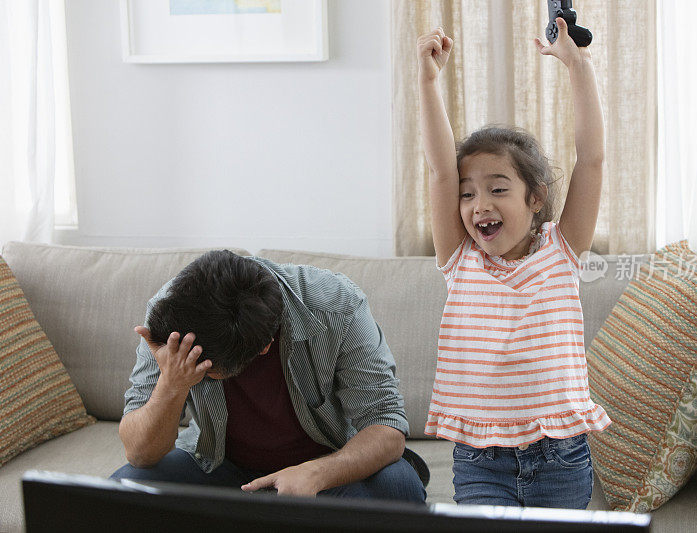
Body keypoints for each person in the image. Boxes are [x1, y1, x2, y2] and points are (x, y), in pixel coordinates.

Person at [417, 19, 611, 508]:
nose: (479, 204)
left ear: (535, 198)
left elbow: (591, 159)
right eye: (469, 194)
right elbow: (441, 170)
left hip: (560, 459)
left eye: (498, 189)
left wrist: (576, 64)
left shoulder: (560, 251)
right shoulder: (460, 260)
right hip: (481, 458)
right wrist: (427, 80)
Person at [111, 250, 427, 502]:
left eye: (207, 371)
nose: (200, 373)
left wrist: (315, 475)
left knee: (399, 487)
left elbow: (386, 427)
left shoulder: (337, 305)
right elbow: (140, 454)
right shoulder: (173, 315)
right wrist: (172, 382)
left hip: (321, 466)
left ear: (264, 346)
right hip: (218, 466)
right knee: (126, 487)